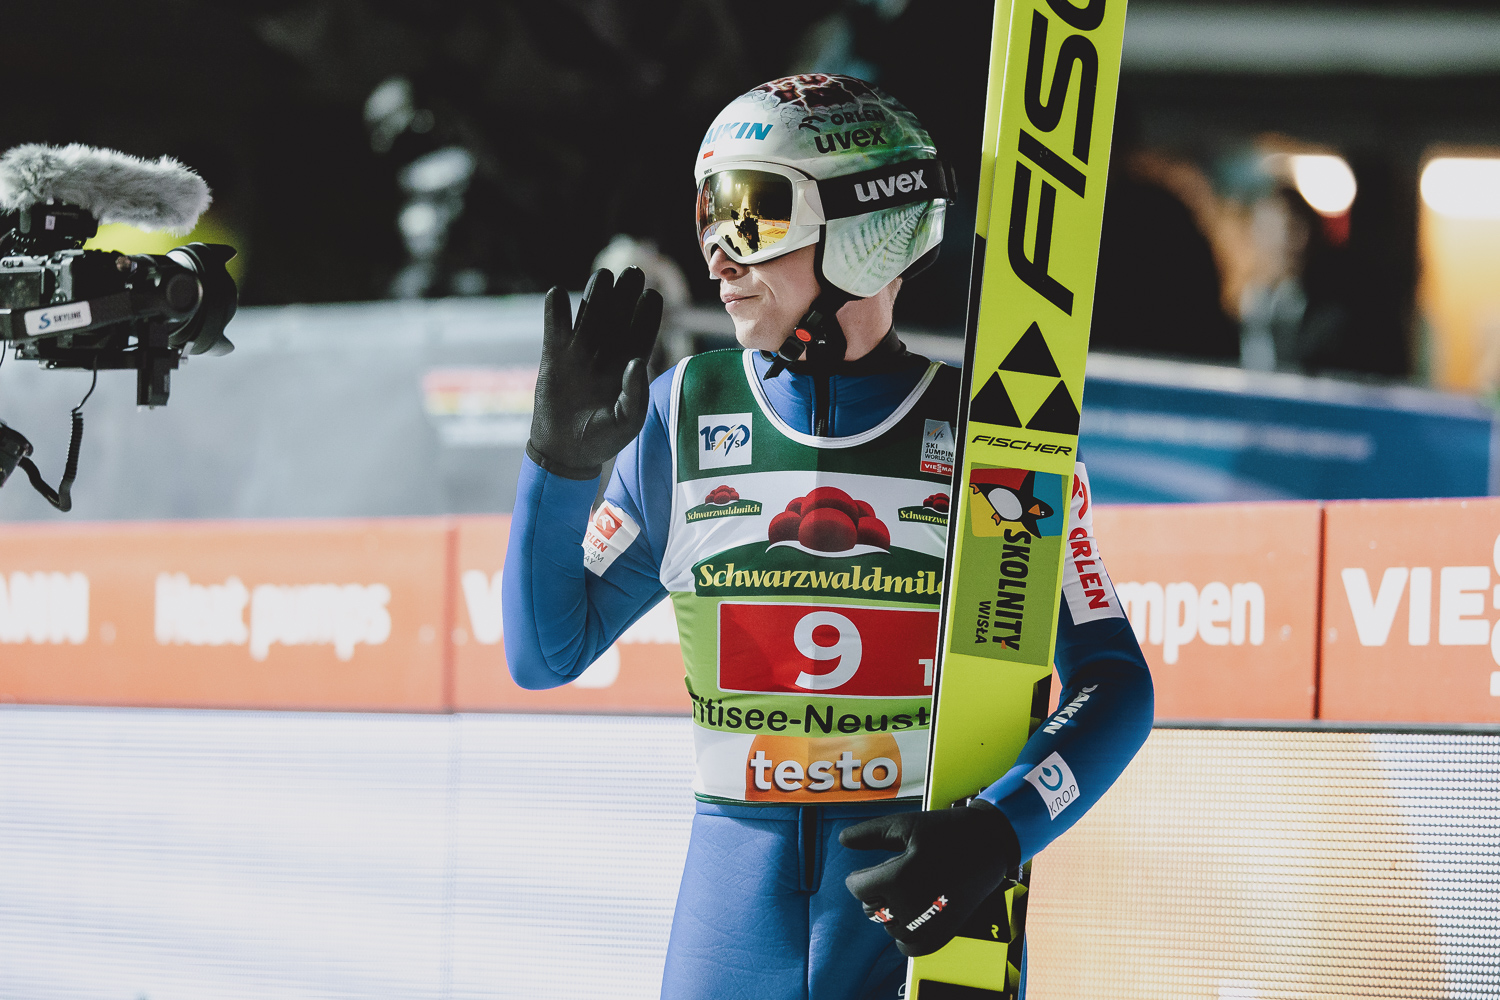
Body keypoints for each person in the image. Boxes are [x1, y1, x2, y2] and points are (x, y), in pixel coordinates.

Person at [504, 74, 1153, 1000]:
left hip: (918, 912)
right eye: (708, 214)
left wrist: (1001, 829)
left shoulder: (993, 438)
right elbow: (543, 653)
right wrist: (558, 468)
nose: (719, 255)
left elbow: (1114, 682)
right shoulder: (682, 413)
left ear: (862, 229)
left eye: (752, 213)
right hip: (730, 921)